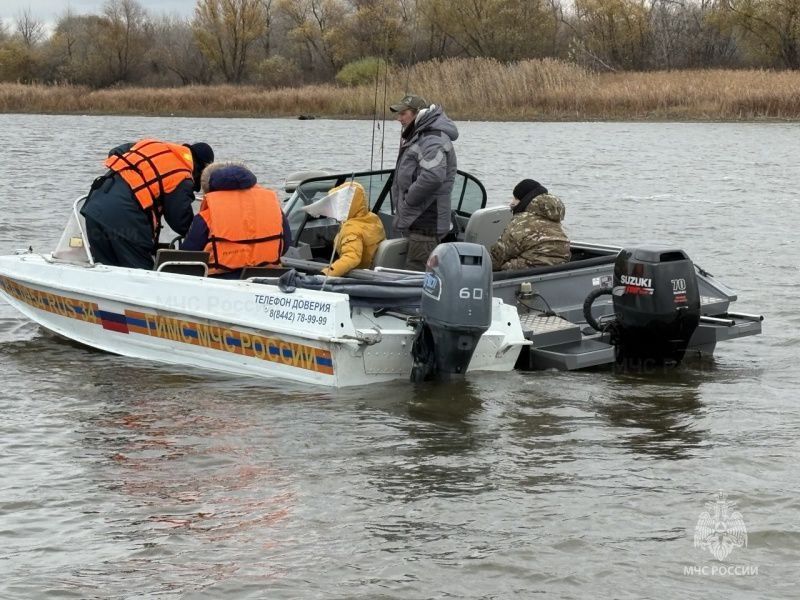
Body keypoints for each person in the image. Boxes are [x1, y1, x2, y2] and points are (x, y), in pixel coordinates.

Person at [81, 139, 214, 269]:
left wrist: (136, 176)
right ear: (202, 169)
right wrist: (199, 235)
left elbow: (115, 152)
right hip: (125, 219)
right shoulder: (181, 174)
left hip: (94, 208)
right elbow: (180, 219)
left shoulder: (152, 145)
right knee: (141, 272)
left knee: (106, 269)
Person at [181, 162, 291, 278]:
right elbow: (286, 244)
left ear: (210, 188)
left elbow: (188, 255)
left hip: (221, 282)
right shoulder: (273, 209)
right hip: (267, 278)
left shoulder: (206, 217)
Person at [389, 94, 458, 271]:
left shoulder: (431, 138)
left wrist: (408, 200)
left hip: (425, 223)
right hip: (418, 221)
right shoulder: (421, 135)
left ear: (416, 114)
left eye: (403, 114)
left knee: (417, 276)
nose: (399, 119)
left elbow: (433, 176)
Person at [490, 179, 570, 271]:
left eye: (516, 198)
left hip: (528, 275)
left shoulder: (521, 222)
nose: (511, 203)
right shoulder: (555, 221)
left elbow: (497, 258)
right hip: (559, 271)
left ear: (525, 199)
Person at [320, 181, 385, 277]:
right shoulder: (373, 218)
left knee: (315, 262)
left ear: (347, 204)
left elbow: (352, 257)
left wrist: (325, 274)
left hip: (357, 275)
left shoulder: (351, 228)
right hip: (372, 269)